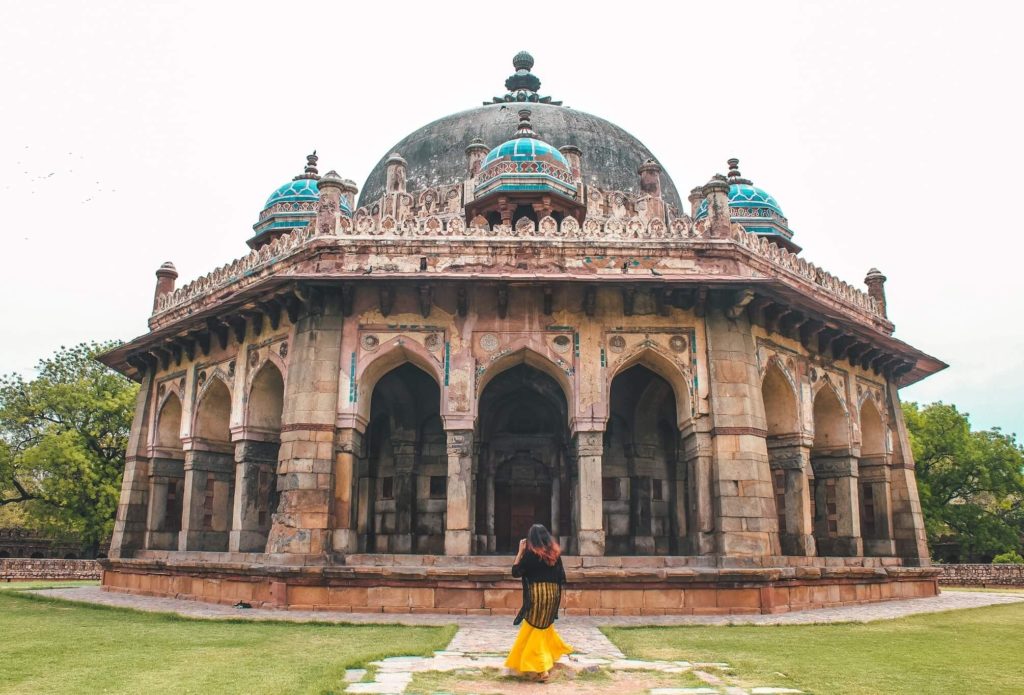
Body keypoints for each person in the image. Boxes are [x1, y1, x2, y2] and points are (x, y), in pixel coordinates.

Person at [504, 523, 573, 682]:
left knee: (536, 628)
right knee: (539, 627)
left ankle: (542, 669)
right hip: (552, 595)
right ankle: (528, 658)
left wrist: (520, 552)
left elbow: (515, 572)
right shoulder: (555, 554)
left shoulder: (530, 554)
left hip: (538, 595)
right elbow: (561, 576)